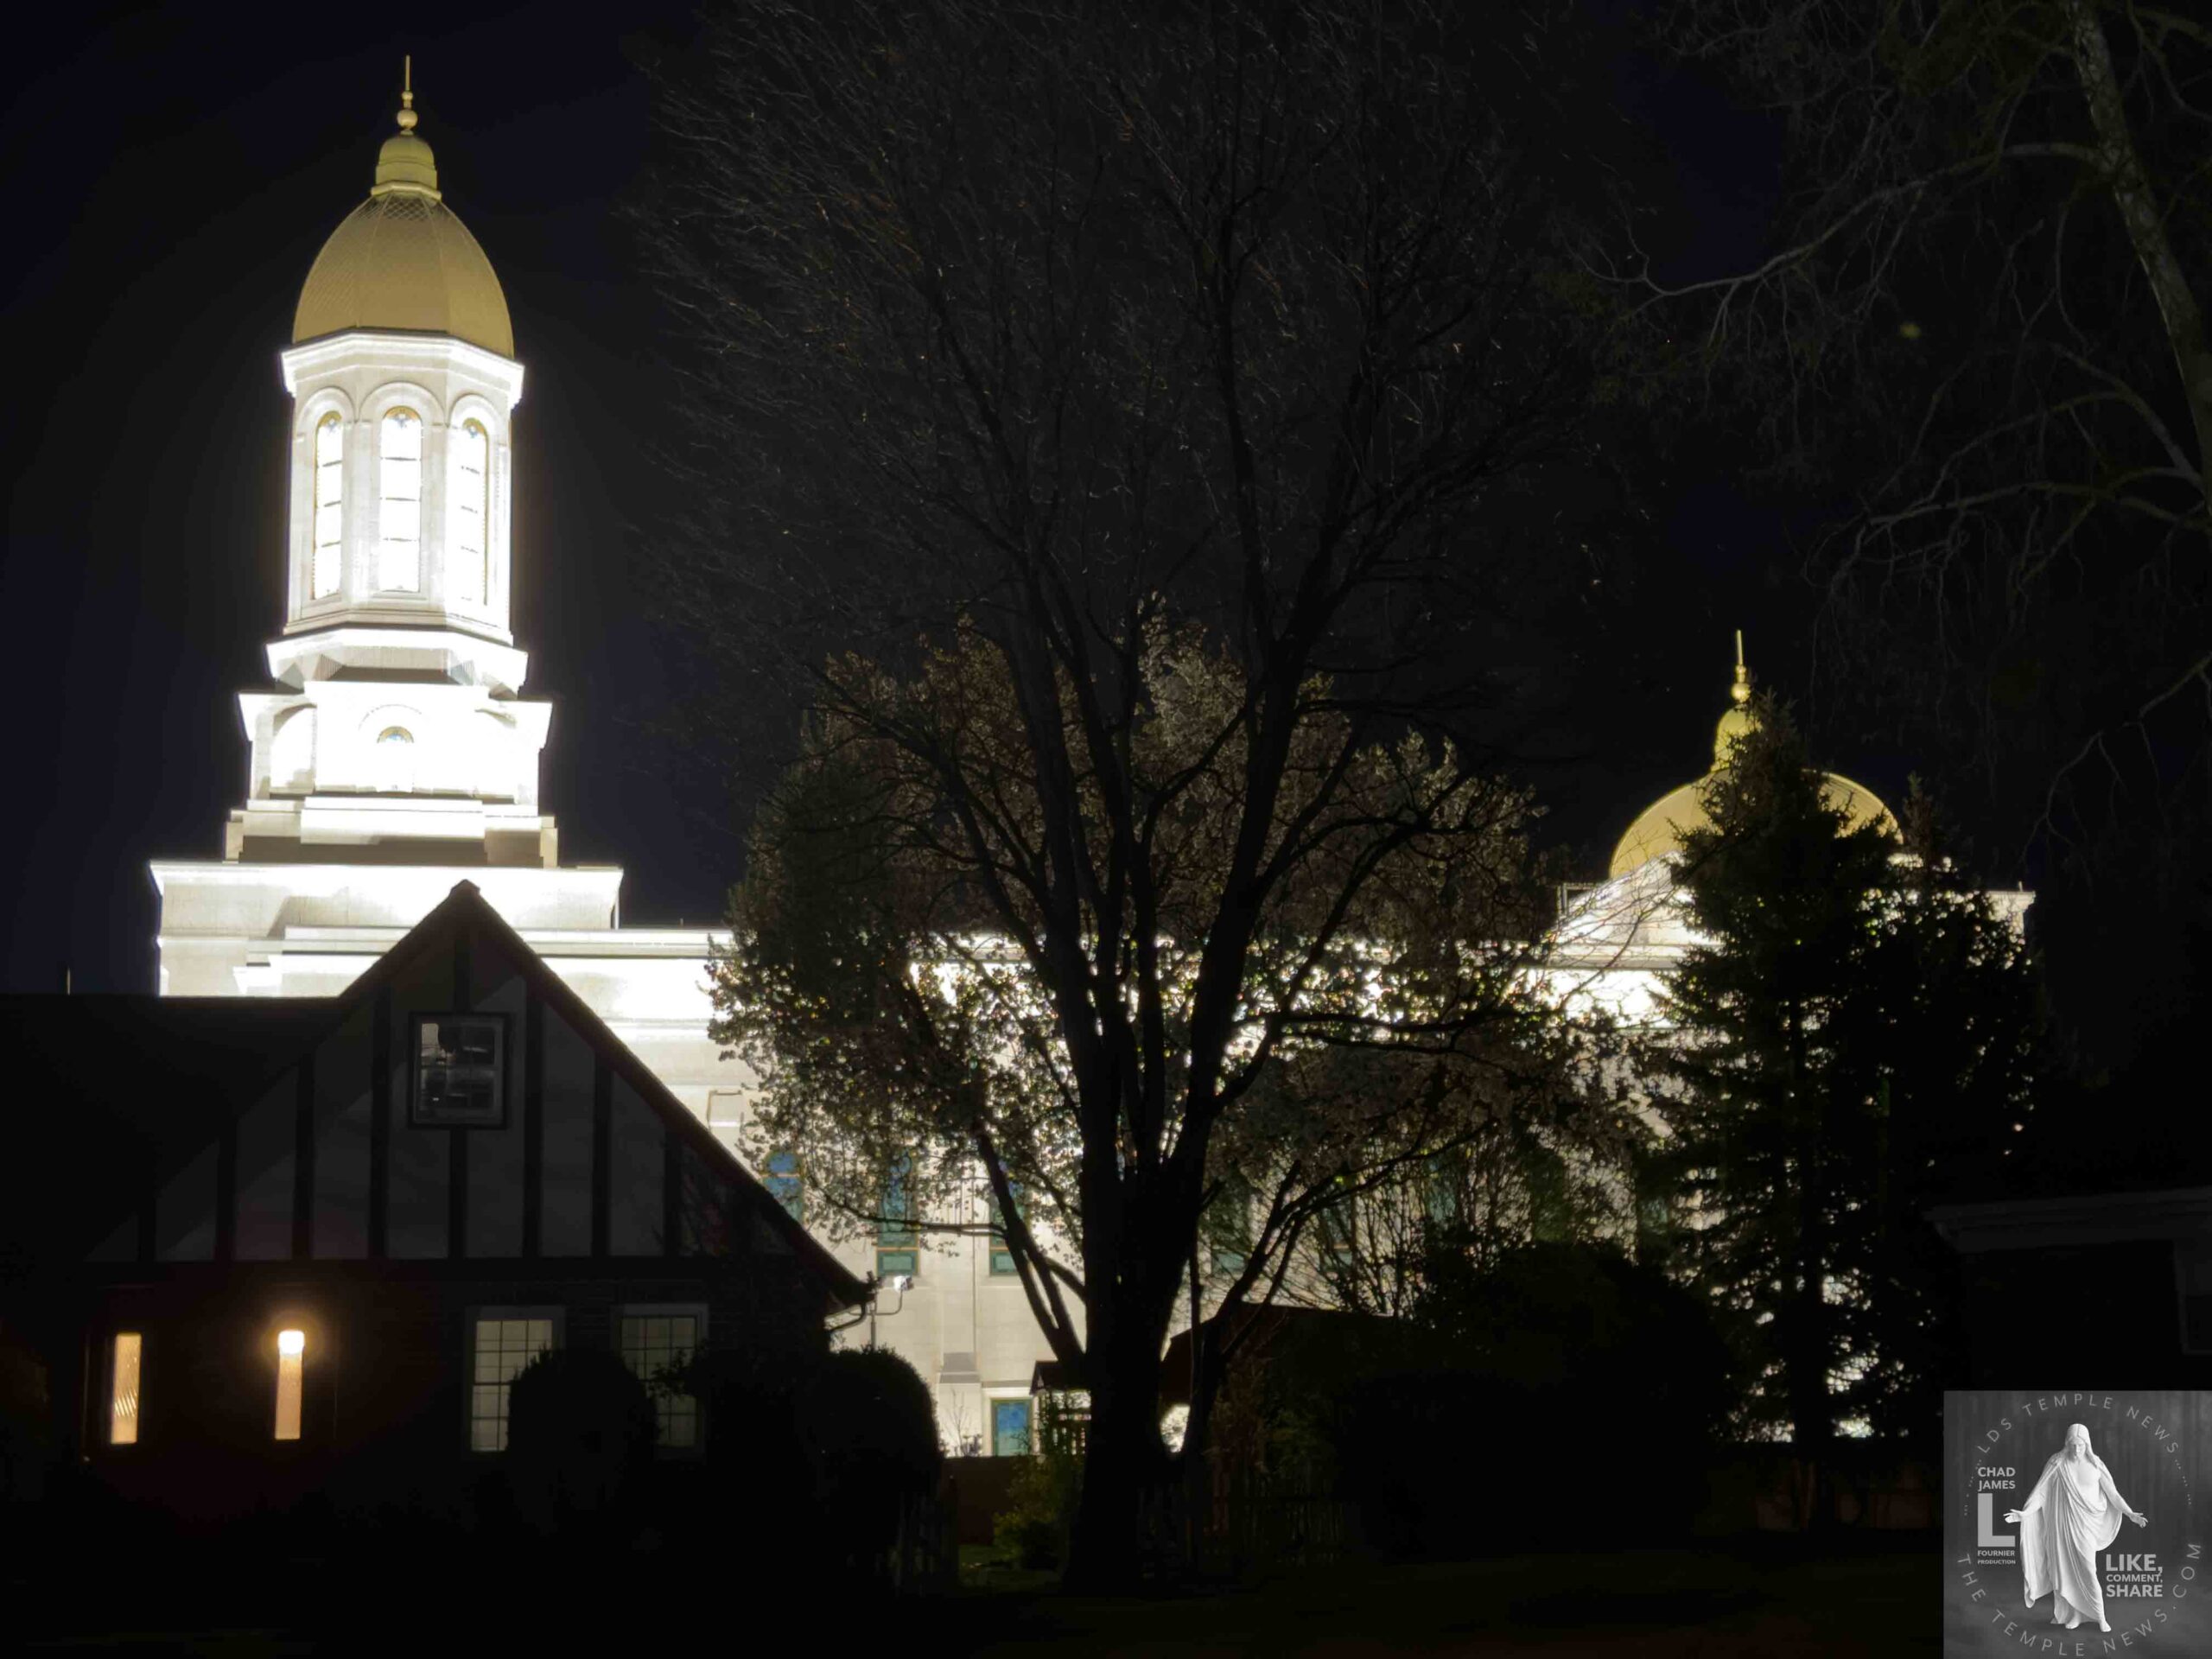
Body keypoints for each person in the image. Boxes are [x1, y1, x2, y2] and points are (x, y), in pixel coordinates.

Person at [2005, 1423, 2149, 1632]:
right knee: (2066, 1571)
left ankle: (2100, 1616)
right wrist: (2025, 1514)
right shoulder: (2057, 1464)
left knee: (2089, 1570)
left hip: (2086, 1526)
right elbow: (2041, 1494)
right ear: (2067, 1444)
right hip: (2063, 1527)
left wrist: (2130, 1513)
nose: (2076, 1450)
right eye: (2073, 1445)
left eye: (2081, 1445)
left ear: (2087, 1445)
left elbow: (2113, 1494)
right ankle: (2075, 1615)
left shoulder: (2096, 1465)